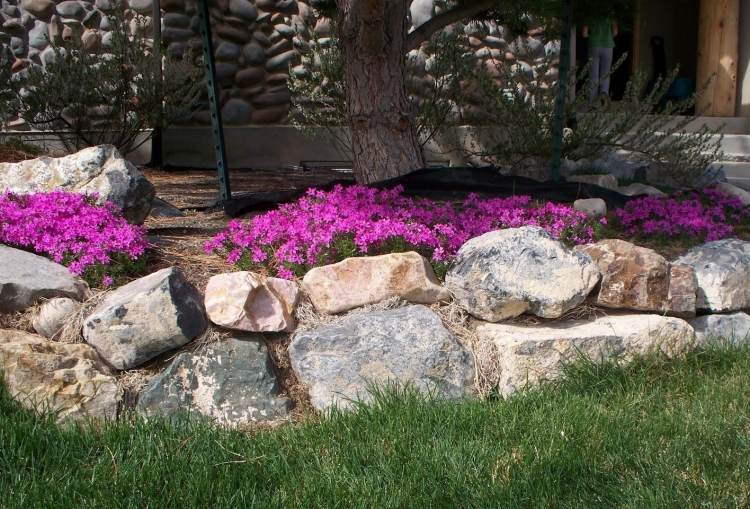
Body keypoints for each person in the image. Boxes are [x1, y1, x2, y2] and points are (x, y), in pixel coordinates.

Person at [582, 17, 619, 104]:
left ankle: (592, 102)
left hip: (593, 45)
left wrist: (592, 36)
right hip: (608, 45)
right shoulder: (610, 14)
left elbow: (584, 34)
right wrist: (608, 37)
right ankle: (603, 99)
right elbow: (615, 32)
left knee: (593, 75)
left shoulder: (590, 14)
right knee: (605, 74)